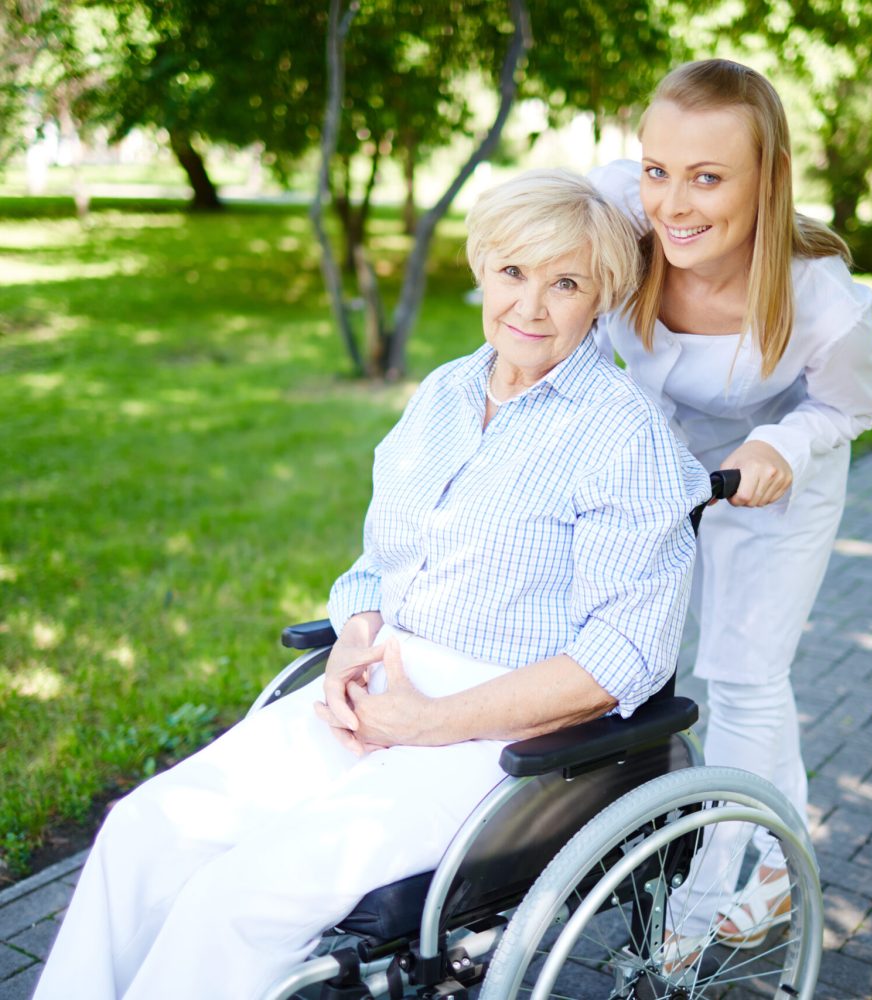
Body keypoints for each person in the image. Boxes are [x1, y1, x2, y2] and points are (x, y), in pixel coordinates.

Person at [33, 169, 710, 1000]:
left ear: (600, 293)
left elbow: (622, 657)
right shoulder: (444, 396)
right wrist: (352, 641)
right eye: (513, 273)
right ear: (481, 270)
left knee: (238, 899)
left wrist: (433, 722)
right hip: (377, 693)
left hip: (506, 740)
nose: (530, 307)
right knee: (143, 831)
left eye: (564, 282)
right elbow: (375, 564)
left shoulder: (621, 434)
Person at [589, 59, 872, 960]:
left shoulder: (822, 303)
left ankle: (721, 882)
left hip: (776, 470)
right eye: (657, 168)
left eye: (708, 176)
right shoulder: (616, 214)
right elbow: (530, 267)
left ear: (767, 179)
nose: (673, 203)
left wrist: (781, 447)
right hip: (656, 456)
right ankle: (765, 846)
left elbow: (849, 408)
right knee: (615, 646)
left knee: (743, 671)